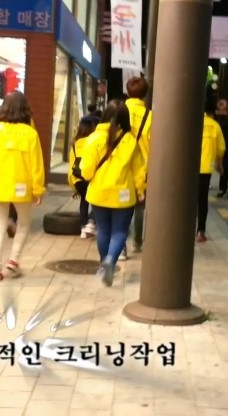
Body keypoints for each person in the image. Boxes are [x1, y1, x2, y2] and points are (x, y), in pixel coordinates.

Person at [0, 91, 45, 282]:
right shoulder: (30, 134)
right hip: (22, 187)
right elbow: (37, 164)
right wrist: (38, 189)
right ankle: (13, 260)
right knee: (24, 224)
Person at [79, 99, 146, 287]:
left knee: (103, 230)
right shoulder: (131, 141)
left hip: (99, 193)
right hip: (123, 195)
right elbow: (139, 170)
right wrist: (140, 190)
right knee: (119, 232)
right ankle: (111, 260)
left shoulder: (94, 139)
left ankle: (103, 265)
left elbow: (86, 170)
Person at [124, 77, 152, 254]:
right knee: (140, 205)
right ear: (145, 94)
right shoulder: (150, 116)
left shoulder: (119, 110)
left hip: (121, 163)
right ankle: (137, 241)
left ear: (127, 92)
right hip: (143, 165)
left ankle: (121, 247)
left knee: (121, 205)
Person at [197, 98, 226, 242]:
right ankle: (200, 231)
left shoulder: (192, 122)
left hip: (189, 170)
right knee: (202, 201)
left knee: (187, 200)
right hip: (206, 169)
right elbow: (221, 149)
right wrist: (219, 165)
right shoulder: (215, 126)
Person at [68, 118, 97, 239]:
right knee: (96, 202)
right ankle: (91, 222)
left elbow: (71, 166)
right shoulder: (94, 141)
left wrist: (73, 186)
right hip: (91, 177)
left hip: (78, 179)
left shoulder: (75, 144)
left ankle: (83, 229)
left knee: (84, 202)